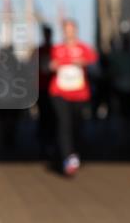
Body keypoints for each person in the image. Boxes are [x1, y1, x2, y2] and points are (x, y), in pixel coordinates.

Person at [49, 19, 98, 176]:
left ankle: (73, 153)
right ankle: (67, 158)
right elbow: (47, 65)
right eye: (66, 29)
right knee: (64, 123)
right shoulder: (56, 48)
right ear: (63, 31)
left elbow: (96, 64)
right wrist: (52, 66)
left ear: (76, 30)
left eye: (71, 29)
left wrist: (84, 62)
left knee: (77, 125)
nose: (69, 32)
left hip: (79, 93)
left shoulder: (84, 48)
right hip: (59, 92)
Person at [31, 25, 56, 158]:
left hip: (53, 89)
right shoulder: (39, 51)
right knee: (44, 117)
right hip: (41, 88)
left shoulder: (55, 50)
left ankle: (49, 142)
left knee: (51, 117)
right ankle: (44, 143)